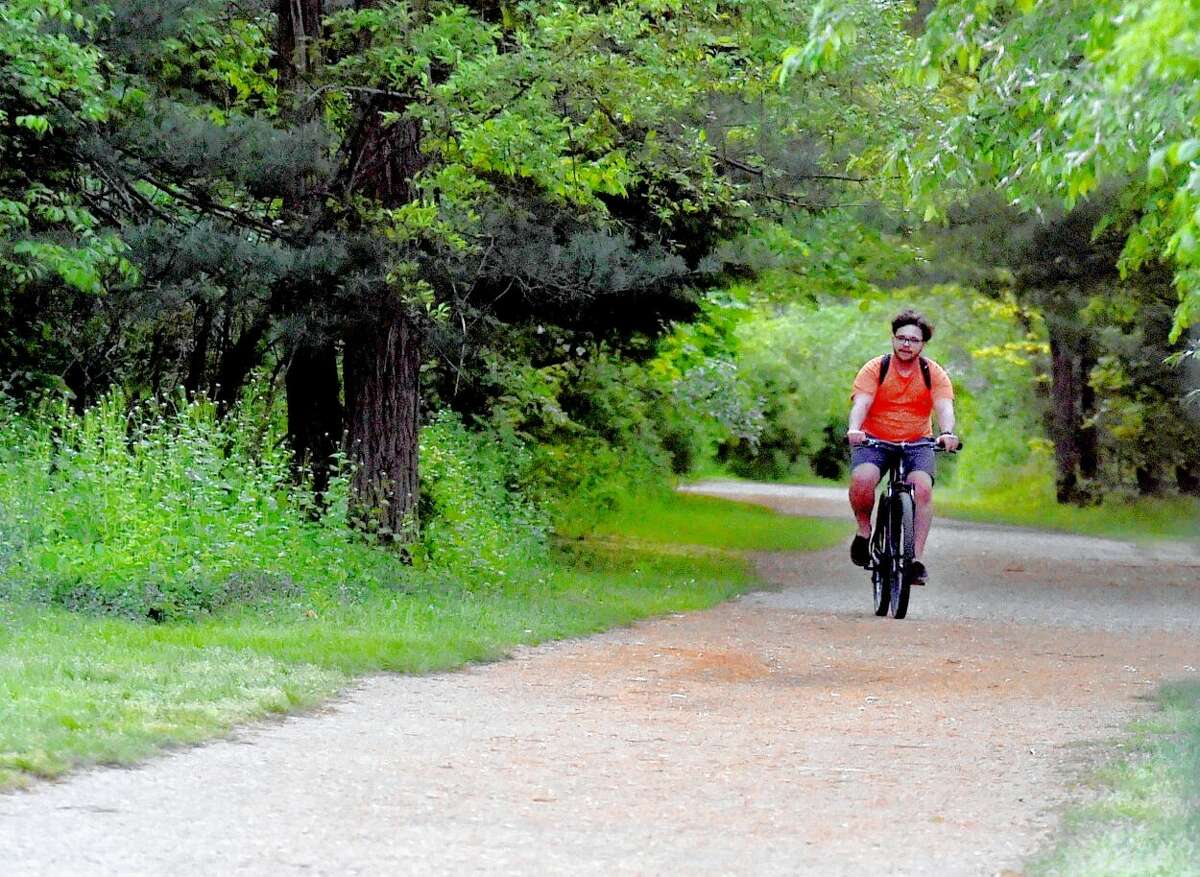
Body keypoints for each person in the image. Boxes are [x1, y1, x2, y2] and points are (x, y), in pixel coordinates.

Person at [846, 309, 960, 585]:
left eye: (913, 340)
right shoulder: (876, 368)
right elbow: (861, 402)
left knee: (922, 489)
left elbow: (944, 406)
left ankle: (915, 560)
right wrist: (855, 429)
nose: (906, 345)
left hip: (917, 442)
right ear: (893, 339)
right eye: (901, 338)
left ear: (923, 344)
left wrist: (947, 433)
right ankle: (864, 531)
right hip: (875, 439)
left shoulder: (933, 373)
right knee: (863, 480)